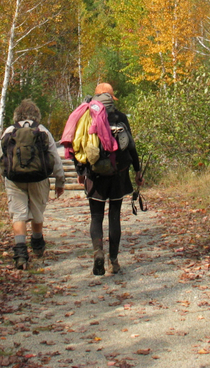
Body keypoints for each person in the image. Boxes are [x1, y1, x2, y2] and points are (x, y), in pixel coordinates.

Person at [76, 83, 143, 276]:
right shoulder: (120, 117)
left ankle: (98, 252)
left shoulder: (87, 116)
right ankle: (113, 261)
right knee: (114, 216)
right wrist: (138, 171)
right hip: (118, 173)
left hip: (95, 174)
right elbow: (131, 146)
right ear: (111, 99)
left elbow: (79, 144)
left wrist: (80, 171)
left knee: (96, 217)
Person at [0, 99, 65, 270]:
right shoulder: (42, 131)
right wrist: (59, 180)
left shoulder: (10, 131)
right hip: (39, 179)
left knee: (18, 214)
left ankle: (20, 253)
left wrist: (5, 175)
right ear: (36, 115)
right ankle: (37, 243)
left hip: (14, 180)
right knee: (37, 210)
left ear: (17, 114)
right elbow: (55, 158)